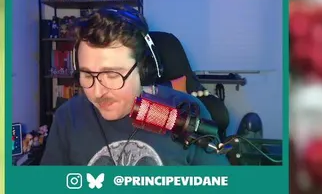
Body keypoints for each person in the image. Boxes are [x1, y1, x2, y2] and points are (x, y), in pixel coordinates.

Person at [40, 9, 227, 166]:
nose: (97, 93)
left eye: (112, 75)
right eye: (87, 75)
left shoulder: (187, 113)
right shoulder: (68, 117)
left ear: (143, 70)